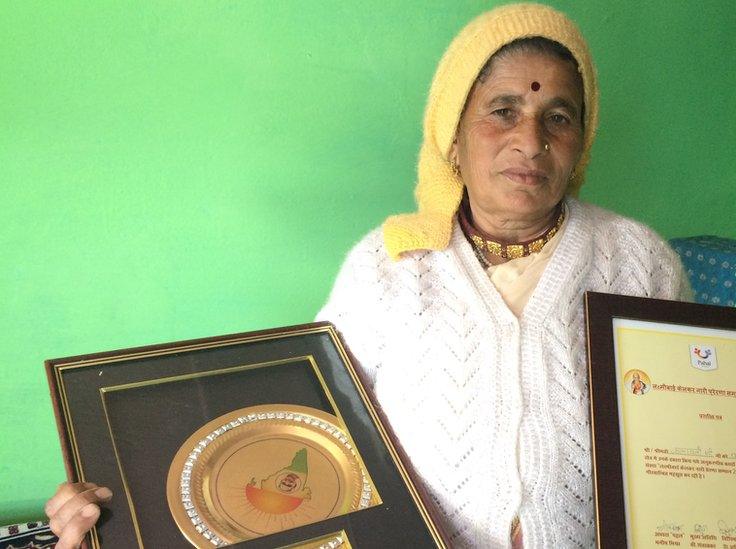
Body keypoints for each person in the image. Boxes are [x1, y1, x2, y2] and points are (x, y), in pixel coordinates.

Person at [44, 4, 689, 548]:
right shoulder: (388, 266)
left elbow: (692, 435)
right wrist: (119, 509)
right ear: (453, 136)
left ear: (581, 140)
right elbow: (300, 428)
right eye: (501, 110)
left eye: (559, 116)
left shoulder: (638, 260)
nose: (530, 138)